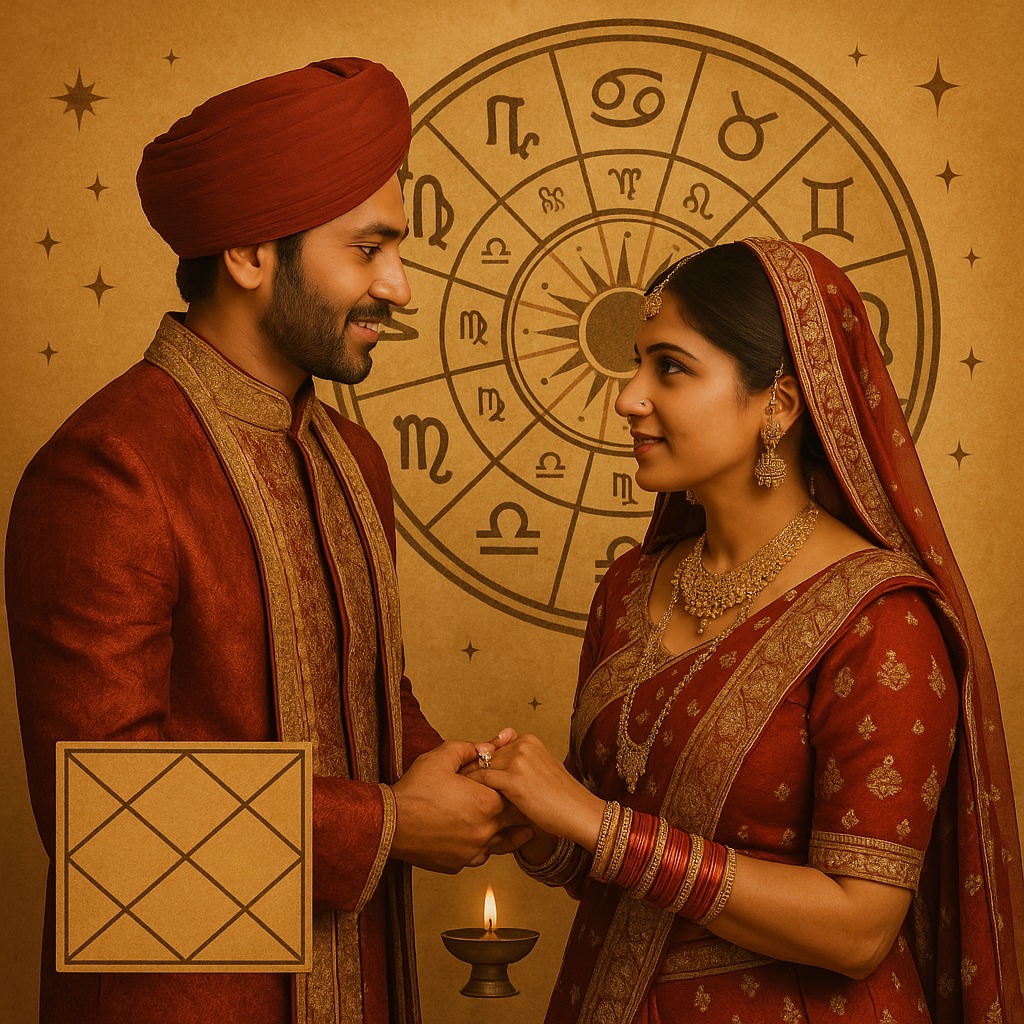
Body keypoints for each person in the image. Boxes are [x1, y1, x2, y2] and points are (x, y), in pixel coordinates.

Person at [6, 58, 525, 1024]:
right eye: (367, 250)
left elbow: (360, 691)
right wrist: (392, 824)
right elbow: (99, 822)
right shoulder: (109, 466)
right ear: (249, 254)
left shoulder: (351, 457)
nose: (400, 287)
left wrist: (468, 777)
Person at [469, 239, 1024, 1022]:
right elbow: (603, 861)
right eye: (636, 365)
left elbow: (860, 931)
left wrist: (594, 822)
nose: (628, 397)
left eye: (670, 368)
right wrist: (534, 822)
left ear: (779, 404)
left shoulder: (879, 620)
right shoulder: (628, 588)